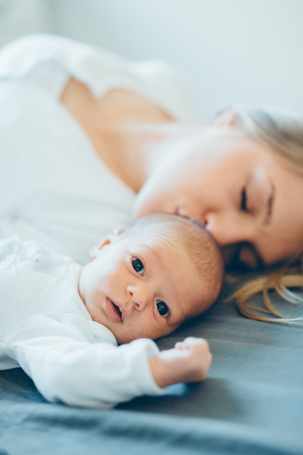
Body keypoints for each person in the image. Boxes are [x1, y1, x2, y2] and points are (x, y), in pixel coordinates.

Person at [0, 34, 303, 322]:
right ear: (232, 122)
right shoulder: (166, 85)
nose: (219, 234)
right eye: (246, 199)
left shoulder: (106, 251)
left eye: (239, 255)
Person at [0, 213, 224, 408]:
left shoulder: (81, 332)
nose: (140, 297)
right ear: (105, 244)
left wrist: (160, 369)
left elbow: (70, 374)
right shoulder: (59, 261)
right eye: (138, 266)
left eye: (162, 308)